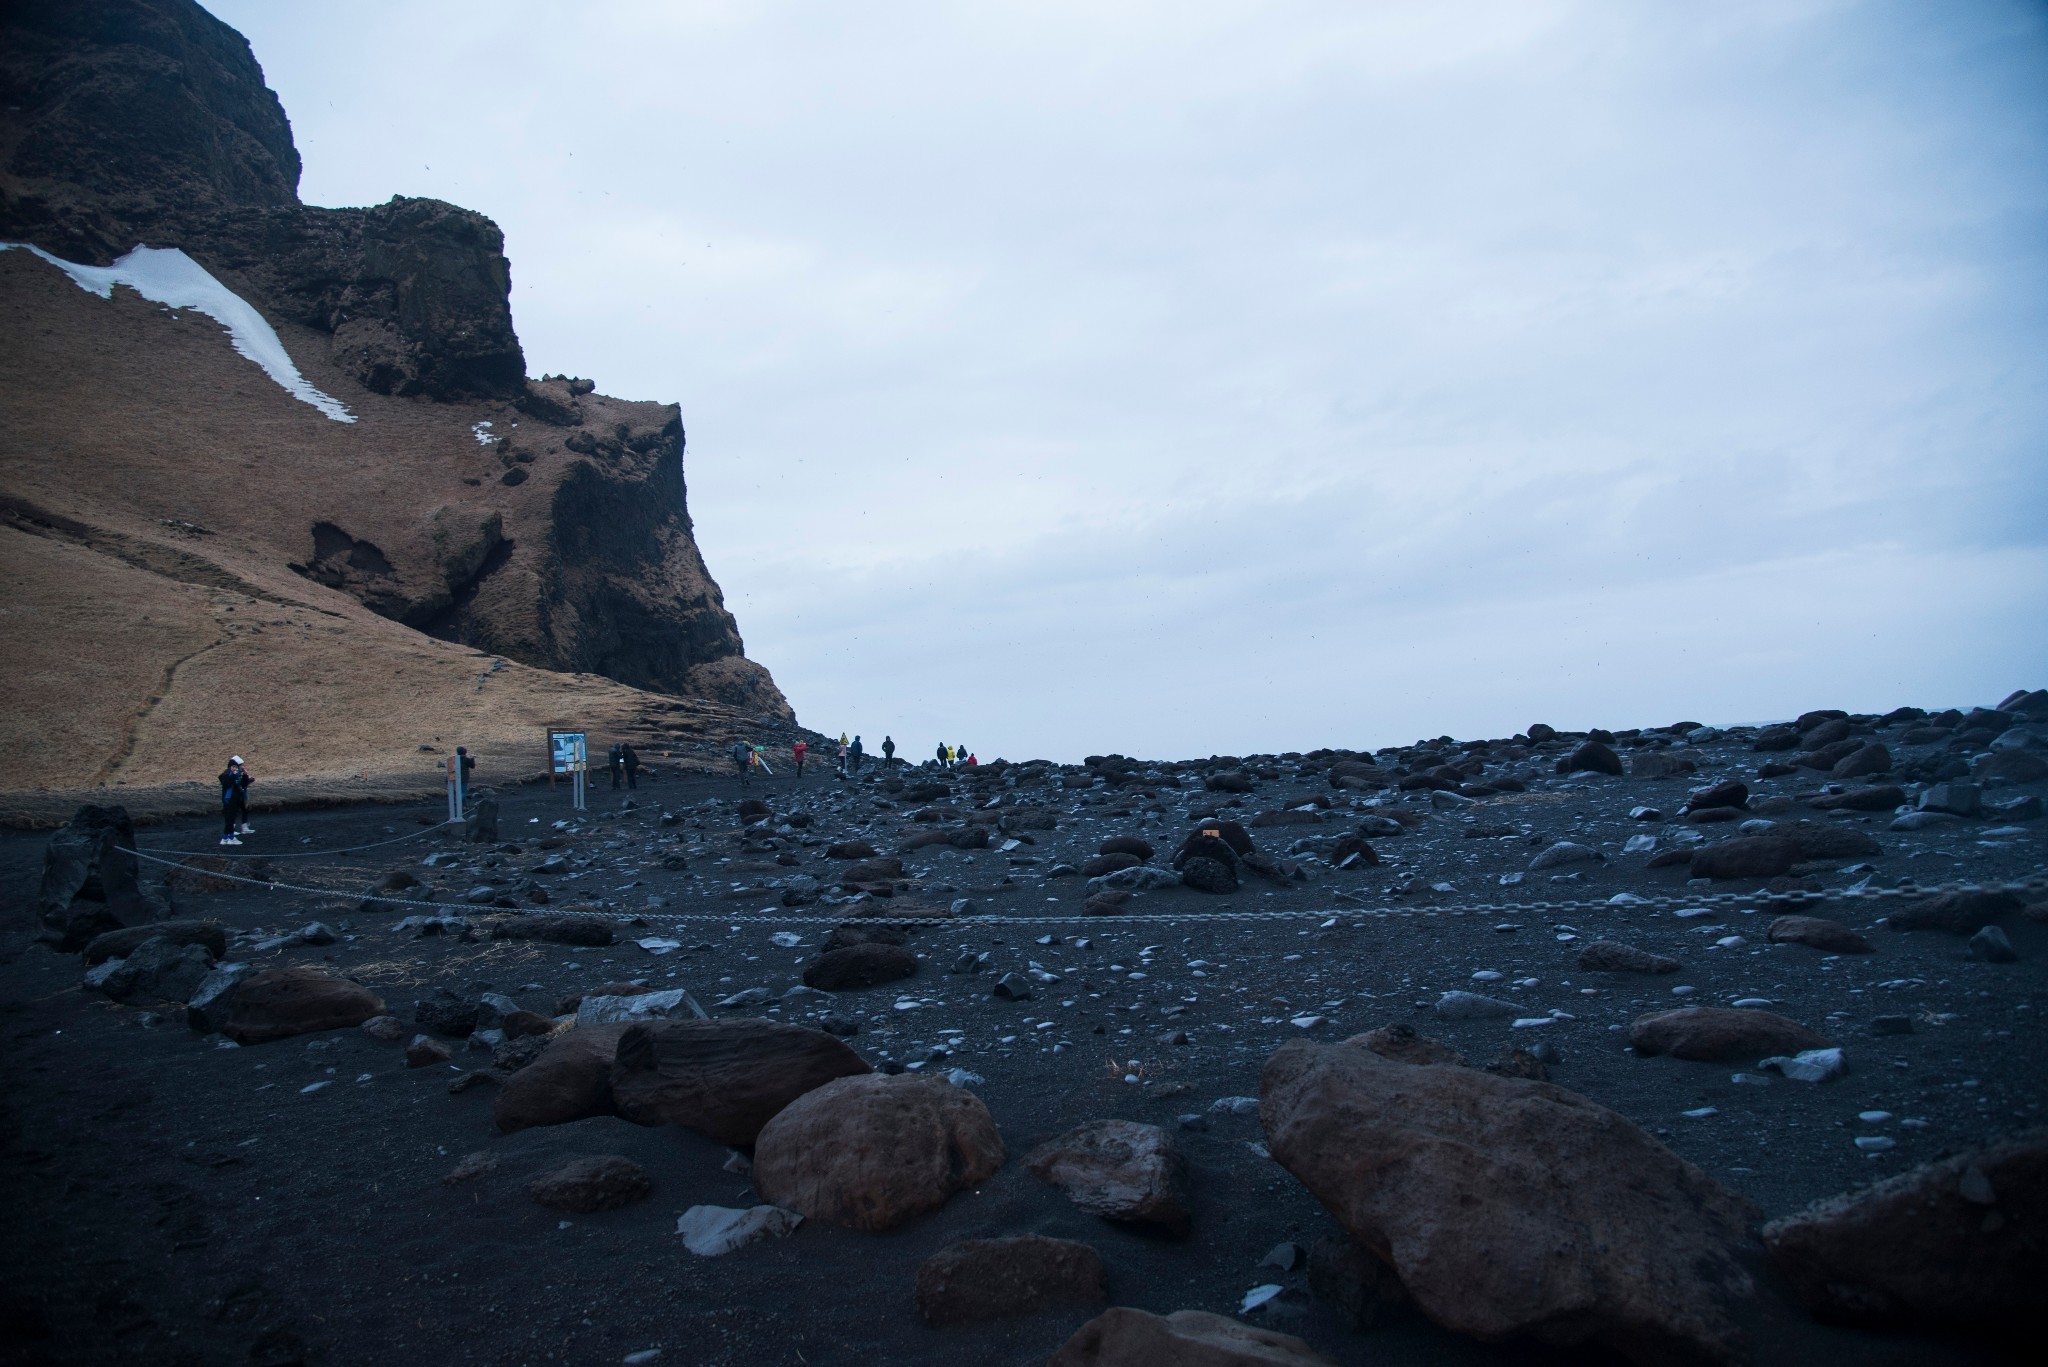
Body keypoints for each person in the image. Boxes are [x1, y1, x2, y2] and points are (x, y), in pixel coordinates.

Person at [218, 756, 252, 845]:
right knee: (229, 820)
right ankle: (231, 838)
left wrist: (245, 775)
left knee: (230, 819)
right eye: (233, 767)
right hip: (228, 801)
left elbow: (242, 785)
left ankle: (225, 838)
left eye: (236, 767)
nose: (235, 768)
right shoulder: (225, 776)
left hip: (235, 800)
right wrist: (234, 775)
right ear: (230, 767)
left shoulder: (235, 776)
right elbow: (227, 783)